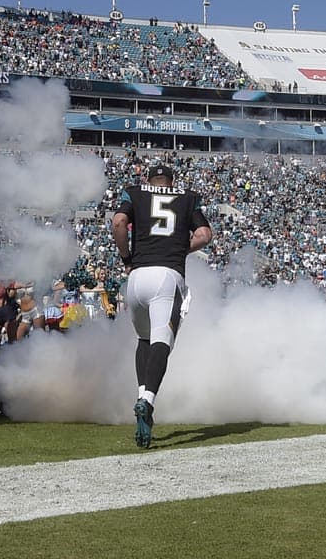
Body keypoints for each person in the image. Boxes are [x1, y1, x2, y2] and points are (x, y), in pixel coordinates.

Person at [111, 160, 212, 448]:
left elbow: (119, 222)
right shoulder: (187, 197)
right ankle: (147, 401)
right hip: (167, 276)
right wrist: (180, 248)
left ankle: (143, 394)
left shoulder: (133, 192)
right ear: (171, 181)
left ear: (148, 180)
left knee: (143, 339)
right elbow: (205, 235)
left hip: (137, 276)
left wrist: (126, 257)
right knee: (161, 341)